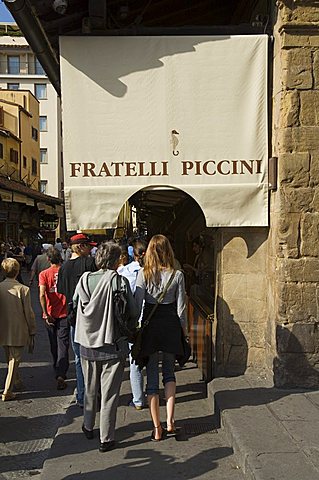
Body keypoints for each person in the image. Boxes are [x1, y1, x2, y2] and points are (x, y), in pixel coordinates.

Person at [73, 241, 138, 452]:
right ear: (115, 260)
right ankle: (106, 437)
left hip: (86, 344)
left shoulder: (84, 279)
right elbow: (134, 312)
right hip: (112, 345)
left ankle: (87, 425)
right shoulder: (119, 282)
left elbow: (75, 304)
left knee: (90, 389)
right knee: (109, 394)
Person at [135, 234, 187, 441]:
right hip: (171, 326)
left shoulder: (143, 274)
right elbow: (181, 308)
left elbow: (138, 304)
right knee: (169, 373)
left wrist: (135, 329)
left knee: (152, 378)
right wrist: (184, 332)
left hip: (150, 326)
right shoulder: (177, 275)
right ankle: (170, 421)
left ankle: (157, 427)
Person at [57, 233, 97, 407]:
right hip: (92, 318)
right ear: (80, 247)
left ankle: (82, 397)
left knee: (80, 360)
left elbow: (61, 292)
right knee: (95, 359)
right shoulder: (89, 263)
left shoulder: (64, 267)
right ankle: (95, 395)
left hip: (73, 318)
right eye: (88, 246)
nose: (90, 249)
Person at [0, 258, 36, 401]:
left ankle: (16, 380)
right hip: (18, 329)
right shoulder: (23, 289)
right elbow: (29, 312)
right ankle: (8, 389)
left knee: (9, 355)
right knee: (15, 359)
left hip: (3, 328)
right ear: (18, 271)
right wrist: (32, 329)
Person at [119, 238, 147, 410]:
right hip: (151, 319)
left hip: (133, 322)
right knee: (150, 359)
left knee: (134, 360)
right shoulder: (155, 271)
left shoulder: (124, 272)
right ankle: (151, 392)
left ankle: (138, 399)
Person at [39, 248, 69, 390]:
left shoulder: (44, 274)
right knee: (63, 343)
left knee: (53, 343)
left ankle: (57, 367)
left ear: (48, 260)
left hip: (50, 313)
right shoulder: (65, 272)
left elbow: (41, 294)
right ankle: (61, 373)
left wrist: (45, 313)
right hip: (64, 312)